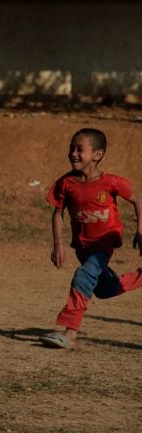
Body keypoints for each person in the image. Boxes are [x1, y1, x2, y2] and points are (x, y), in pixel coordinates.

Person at [40, 128, 142, 350]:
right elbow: (58, 213)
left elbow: (137, 200)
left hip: (106, 241)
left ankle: (69, 333)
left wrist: (140, 229)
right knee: (104, 289)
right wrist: (58, 245)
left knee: (83, 277)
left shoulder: (112, 182)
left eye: (80, 149)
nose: (73, 153)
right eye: (71, 148)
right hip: (83, 246)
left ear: (97, 155)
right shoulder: (66, 183)